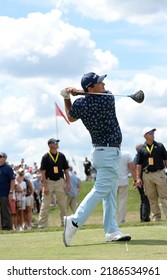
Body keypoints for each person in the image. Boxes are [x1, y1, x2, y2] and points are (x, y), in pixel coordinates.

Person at [60, 71, 131, 246]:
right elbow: (100, 95)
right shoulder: (107, 98)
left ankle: (112, 230)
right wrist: (78, 92)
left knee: (109, 194)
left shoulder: (82, 104)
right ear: (91, 88)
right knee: (101, 189)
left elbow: (70, 116)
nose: (104, 85)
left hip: (104, 152)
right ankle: (74, 221)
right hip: (106, 152)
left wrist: (66, 97)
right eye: (100, 83)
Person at [136, 127, 167, 222]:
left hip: (159, 173)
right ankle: (156, 218)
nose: (153, 134)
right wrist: (138, 178)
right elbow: (139, 164)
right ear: (145, 135)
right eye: (150, 132)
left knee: (164, 196)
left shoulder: (160, 146)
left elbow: (166, 160)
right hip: (147, 175)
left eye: (153, 132)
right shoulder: (141, 149)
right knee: (152, 198)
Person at [38, 138, 70, 228]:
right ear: (50, 145)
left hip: (60, 181)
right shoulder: (45, 157)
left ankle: (64, 223)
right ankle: (42, 225)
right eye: (55, 142)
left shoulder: (61, 156)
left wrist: (68, 183)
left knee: (63, 204)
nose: (57, 144)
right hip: (49, 182)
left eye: (57, 142)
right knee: (45, 204)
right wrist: (45, 186)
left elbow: (66, 170)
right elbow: (43, 173)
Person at [117, 150, 136, 224]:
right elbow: (132, 168)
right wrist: (135, 180)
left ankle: (109, 221)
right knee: (122, 202)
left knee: (110, 202)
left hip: (111, 181)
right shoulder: (127, 154)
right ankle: (121, 221)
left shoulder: (107, 153)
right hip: (123, 180)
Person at [134, 144, 150, 222]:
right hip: (141, 179)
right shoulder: (140, 158)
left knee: (143, 199)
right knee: (145, 199)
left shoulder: (135, 158)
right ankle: (145, 217)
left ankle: (143, 217)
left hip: (138, 179)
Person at [0, 152, 15, 230]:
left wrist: (11, 192)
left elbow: (12, 180)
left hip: (4, 193)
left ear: (4, 158)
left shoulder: (8, 168)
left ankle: (7, 228)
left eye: (0, 156)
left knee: (5, 211)